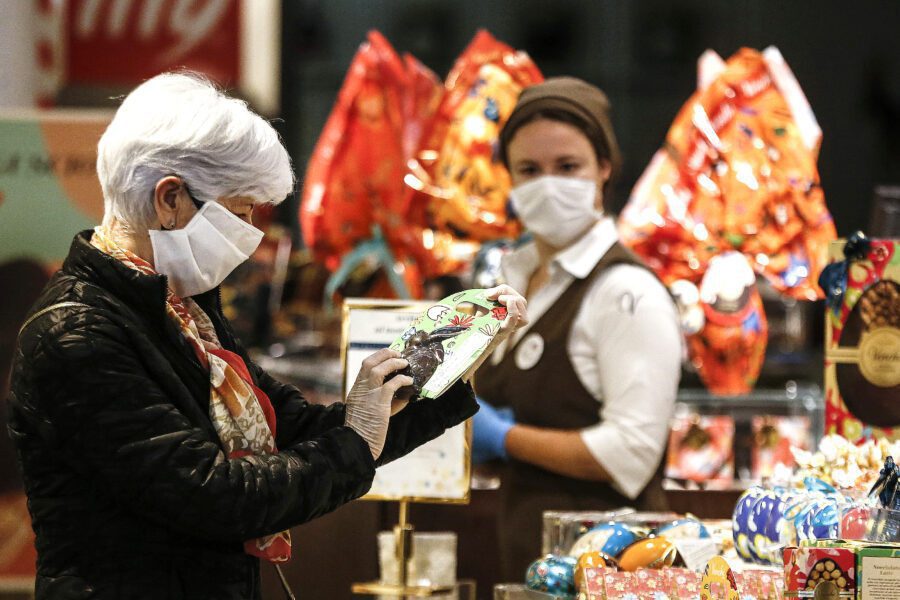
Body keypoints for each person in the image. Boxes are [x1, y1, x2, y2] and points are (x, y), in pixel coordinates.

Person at [7, 72, 527, 600]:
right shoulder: (76, 333)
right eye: (240, 212)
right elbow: (214, 497)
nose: (252, 234)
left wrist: (449, 357)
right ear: (169, 199)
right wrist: (356, 440)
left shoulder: (186, 314)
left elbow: (295, 429)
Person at [471, 77, 682, 580]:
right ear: (511, 181)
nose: (548, 183)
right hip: (532, 563)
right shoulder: (516, 279)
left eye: (568, 167)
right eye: (529, 169)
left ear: (603, 169)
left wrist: (504, 437)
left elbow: (631, 452)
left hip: (612, 572)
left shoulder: (626, 291)